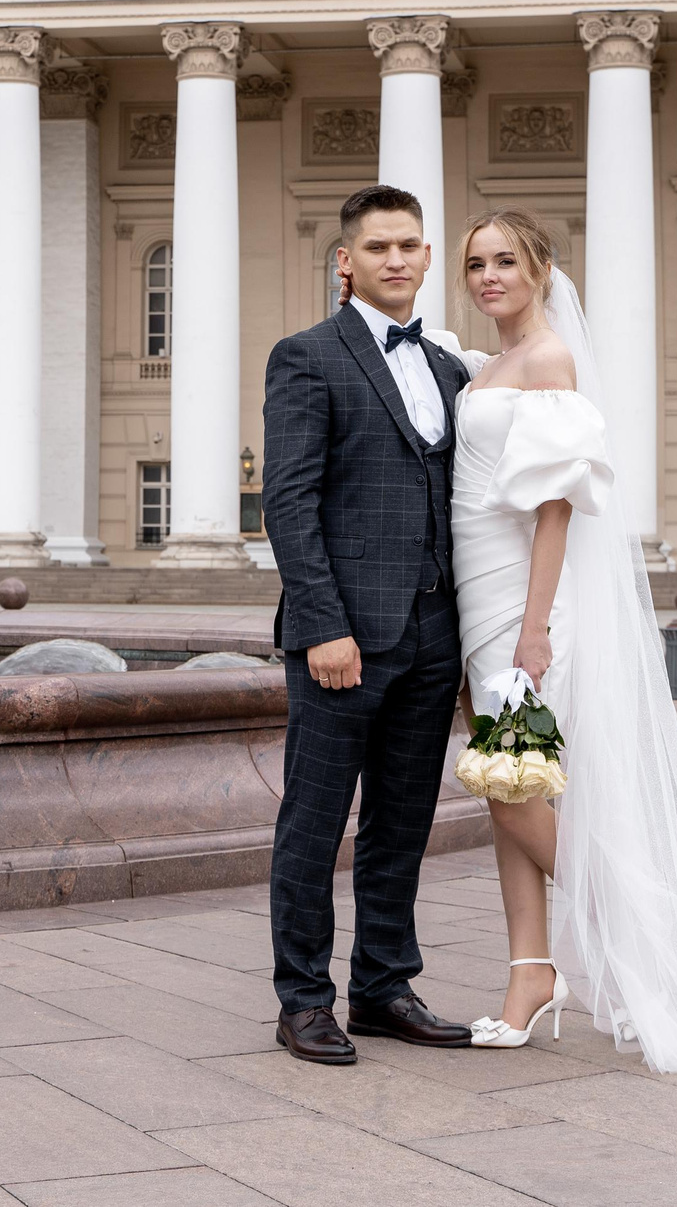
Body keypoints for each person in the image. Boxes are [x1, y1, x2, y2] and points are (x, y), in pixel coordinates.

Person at [447, 209, 677, 1072]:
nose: (489, 275)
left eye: (506, 260)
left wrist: (535, 626)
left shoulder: (546, 360)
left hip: (518, 606)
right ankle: (530, 974)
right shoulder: (488, 366)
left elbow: (554, 508)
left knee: (512, 790)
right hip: (476, 602)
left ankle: (643, 926)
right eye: (476, 263)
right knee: (511, 786)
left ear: (542, 269)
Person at [260, 184, 476, 1068]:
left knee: (403, 820)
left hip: (432, 634)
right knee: (314, 821)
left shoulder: (453, 371)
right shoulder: (307, 356)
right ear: (345, 261)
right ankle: (303, 997)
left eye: (410, 245)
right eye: (378, 246)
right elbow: (289, 499)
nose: (396, 258)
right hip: (342, 638)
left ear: (428, 260)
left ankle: (384, 983)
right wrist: (322, 625)